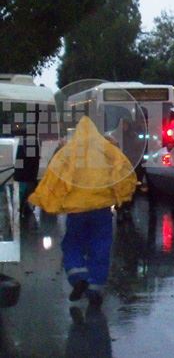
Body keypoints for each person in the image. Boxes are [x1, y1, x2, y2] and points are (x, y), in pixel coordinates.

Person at [29, 116, 137, 306]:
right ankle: (95, 287)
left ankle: (78, 277)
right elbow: (123, 174)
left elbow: (55, 179)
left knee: (73, 244)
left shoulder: (69, 153)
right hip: (101, 209)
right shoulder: (108, 151)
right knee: (100, 246)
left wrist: (47, 201)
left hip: (77, 210)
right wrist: (122, 196)